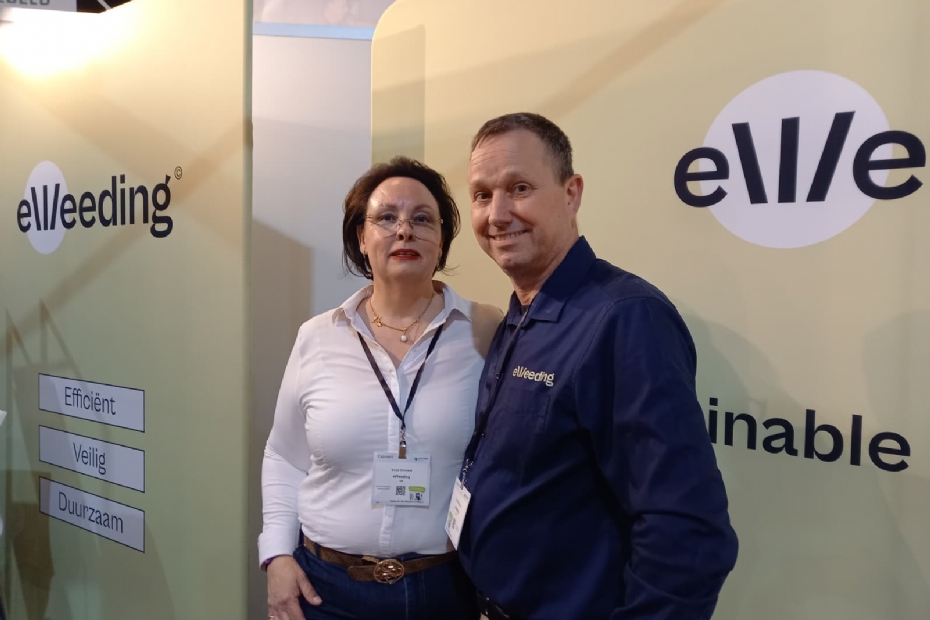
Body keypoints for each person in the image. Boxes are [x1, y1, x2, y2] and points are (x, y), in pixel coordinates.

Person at [454, 113, 739, 620]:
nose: (496, 214)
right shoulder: (520, 314)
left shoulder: (625, 319)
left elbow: (687, 531)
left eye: (519, 188)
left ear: (572, 194)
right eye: (481, 194)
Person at [259, 156, 500, 620]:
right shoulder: (318, 336)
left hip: (445, 589)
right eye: (387, 218)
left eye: (422, 219)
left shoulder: (484, 331)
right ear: (361, 238)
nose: (405, 230)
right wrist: (278, 554)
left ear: (442, 239)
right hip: (326, 590)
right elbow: (284, 456)